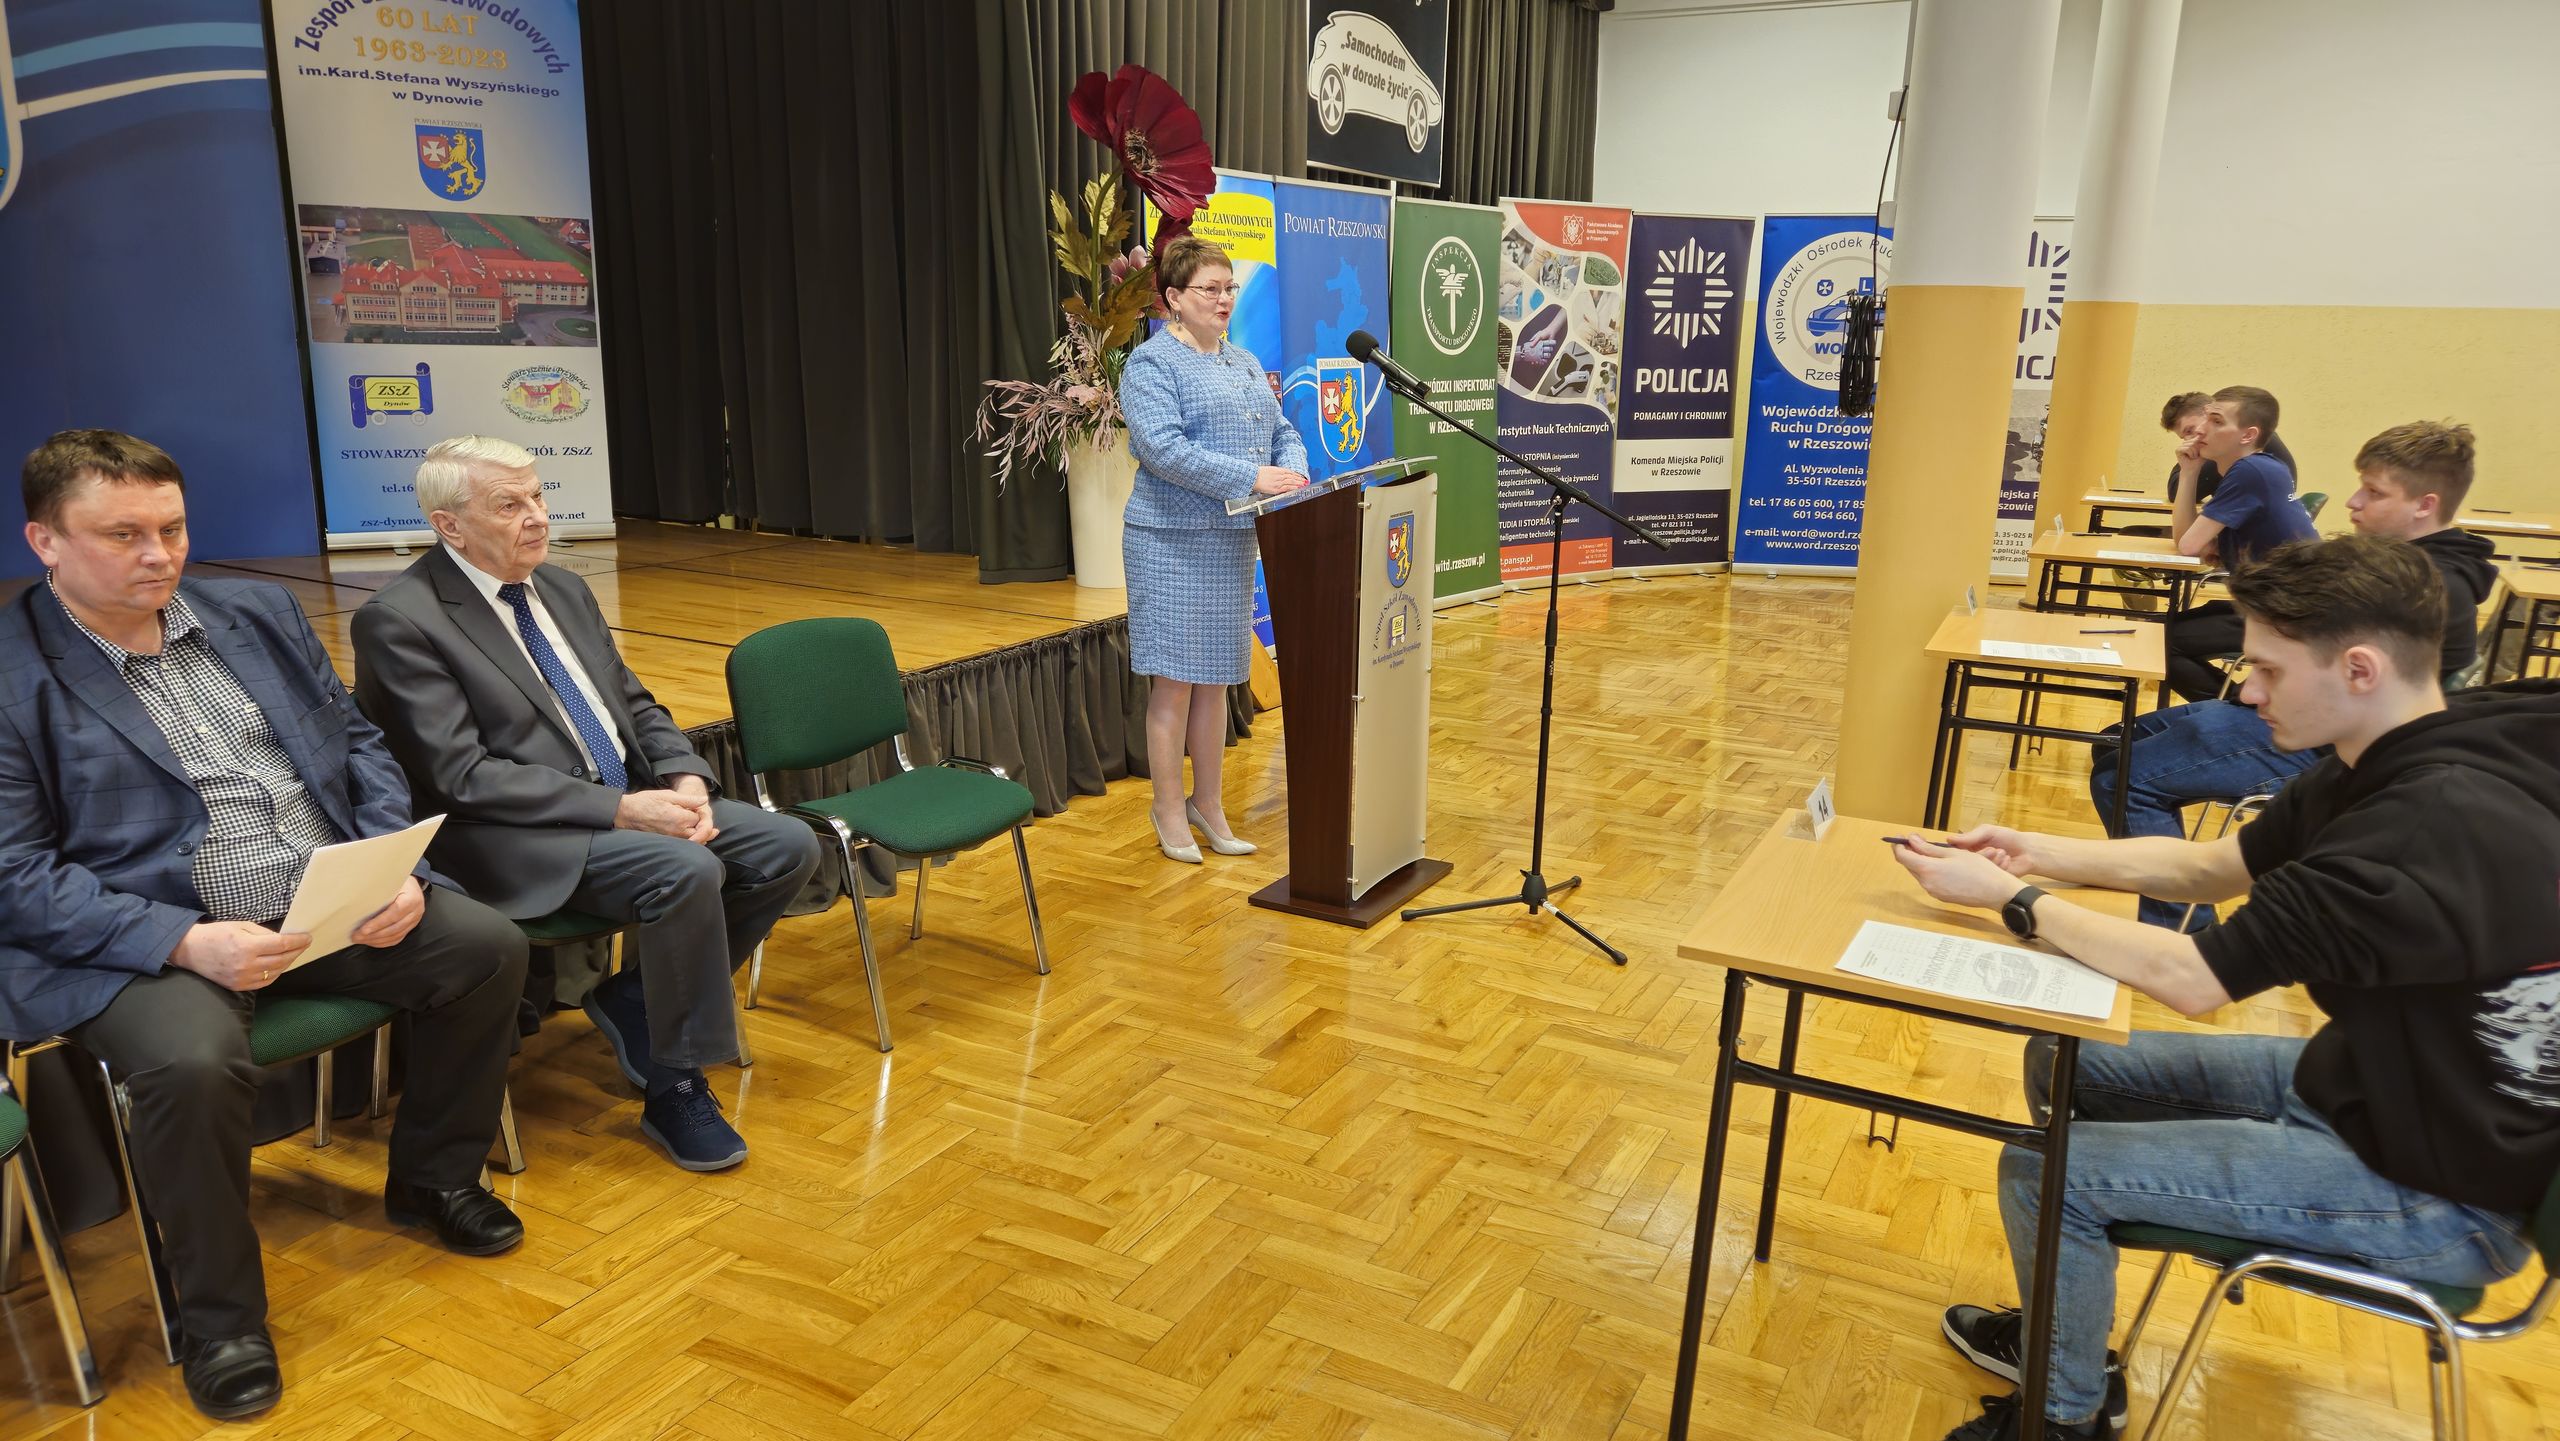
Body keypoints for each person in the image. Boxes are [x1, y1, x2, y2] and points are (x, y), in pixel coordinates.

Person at [1889, 534, 2559, 1441]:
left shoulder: (2409, 832)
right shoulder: (2408, 742)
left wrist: (2016, 901)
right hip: (2380, 1087)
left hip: (2444, 1192)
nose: (2245, 692)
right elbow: (2211, 866)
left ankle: (2062, 1416)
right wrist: (2032, 851)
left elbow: (2191, 976)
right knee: (2063, 1061)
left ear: (2359, 668)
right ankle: (2066, 1332)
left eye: (2269, 670)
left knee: (2045, 1172)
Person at [0, 430, 529, 1420]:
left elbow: (359, 745)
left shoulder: (257, 612)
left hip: (322, 899)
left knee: (486, 949)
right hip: (152, 937)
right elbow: (13, 874)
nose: (159, 554)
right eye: (122, 534)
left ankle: (432, 1178)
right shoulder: (11, 673)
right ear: (45, 540)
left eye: (172, 528)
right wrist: (182, 941)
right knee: (193, 1062)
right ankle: (222, 1319)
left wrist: (395, 867)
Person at [350, 437, 819, 1173]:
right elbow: (461, 775)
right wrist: (623, 811)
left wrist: (684, 777)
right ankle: (674, 1084)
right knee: (683, 870)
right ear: (450, 526)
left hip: (618, 800)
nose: (538, 516)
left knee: (785, 845)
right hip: (504, 836)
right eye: (510, 505)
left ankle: (637, 998)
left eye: (538, 495)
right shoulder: (400, 619)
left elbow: (634, 702)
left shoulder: (563, 588)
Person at [2090, 421, 2499, 929]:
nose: (2353, 502)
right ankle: (2152, 872)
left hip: (2322, 745)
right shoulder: (2393, 565)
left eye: (2373, 493)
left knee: (2123, 776)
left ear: (2425, 504)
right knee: (2113, 743)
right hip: (2296, 715)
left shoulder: (2429, 585)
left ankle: (2179, 928)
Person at [1118, 236, 1309, 864]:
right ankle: (1168, 810)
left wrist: (1293, 469)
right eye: (1210, 289)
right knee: (1175, 684)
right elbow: (1163, 450)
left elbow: (1282, 431)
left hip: (1229, 543)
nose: (1224, 299)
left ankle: (1209, 804)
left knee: (1216, 683)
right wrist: (1253, 477)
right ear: (1174, 298)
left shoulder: (1244, 361)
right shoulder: (1151, 365)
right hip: (1169, 543)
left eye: (1230, 288)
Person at [2161, 386, 2320, 701]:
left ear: (2247, 436)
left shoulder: (2251, 472)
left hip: (2287, 615)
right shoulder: (2253, 469)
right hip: (2271, 605)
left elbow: (2189, 546)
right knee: (2161, 633)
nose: (2201, 430)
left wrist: (2205, 544)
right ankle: (2236, 702)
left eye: (2216, 422)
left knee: (2159, 643)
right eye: (2206, 418)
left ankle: (2236, 706)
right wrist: (2190, 472)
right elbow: (2190, 543)